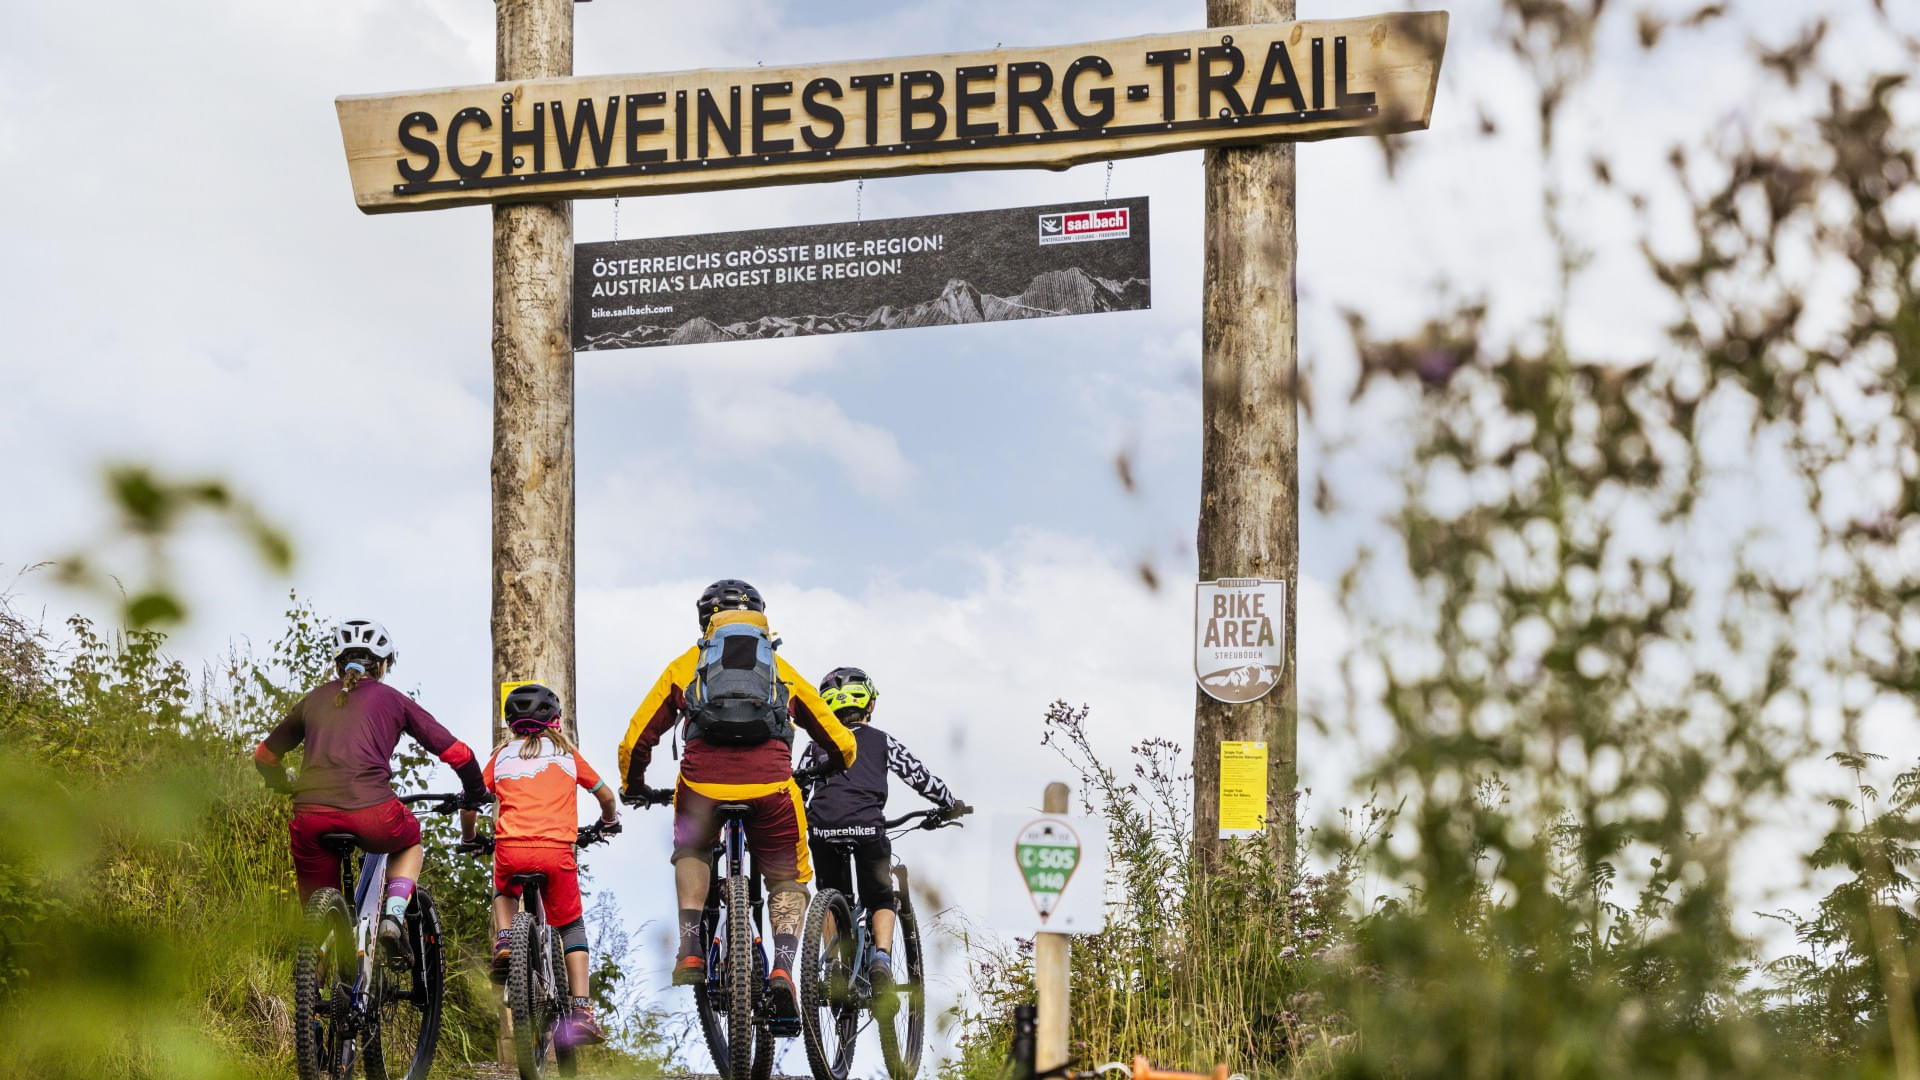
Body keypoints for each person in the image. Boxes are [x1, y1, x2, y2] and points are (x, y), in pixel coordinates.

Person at [617, 578, 858, 1019]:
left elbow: (638, 737)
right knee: (786, 877)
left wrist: (633, 785)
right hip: (770, 787)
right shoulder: (779, 668)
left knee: (692, 847)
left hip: (702, 788)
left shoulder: (686, 665)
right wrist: (838, 762)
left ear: (705, 621)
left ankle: (690, 945)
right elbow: (836, 737)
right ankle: (783, 968)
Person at [252, 618, 488, 967]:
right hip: (373, 813)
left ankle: (312, 1014)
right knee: (409, 840)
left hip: (311, 818)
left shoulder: (313, 699)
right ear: (384, 665)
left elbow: (264, 755)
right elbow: (458, 753)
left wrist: (282, 784)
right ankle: (393, 916)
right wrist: (474, 792)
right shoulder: (394, 700)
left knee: (318, 929)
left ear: (337, 663)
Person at [796, 666, 968, 1005]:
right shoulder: (882, 741)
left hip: (822, 828)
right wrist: (949, 803)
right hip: (867, 829)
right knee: (880, 898)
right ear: (869, 705)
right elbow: (918, 775)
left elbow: (798, 788)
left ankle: (832, 967)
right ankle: (881, 960)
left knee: (833, 896)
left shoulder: (815, 745)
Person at [468, 682, 621, 1047]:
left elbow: (471, 800)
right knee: (571, 926)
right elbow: (606, 797)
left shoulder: (501, 757)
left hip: (511, 849)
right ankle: (582, 1010)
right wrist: (608, 822)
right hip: (557, 853)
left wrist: (470, 836)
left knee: (504, 891)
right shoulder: (568, 756)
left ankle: (505, 941)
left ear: (511, 725)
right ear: (555, 721)